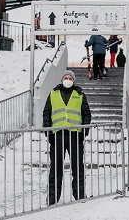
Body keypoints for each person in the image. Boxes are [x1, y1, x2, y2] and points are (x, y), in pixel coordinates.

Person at [43, 70, 92, 205]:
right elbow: (46, 113)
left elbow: (86, 114)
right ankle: (52, 199)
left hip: (75, 135)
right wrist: (48, 132)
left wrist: (84, 132)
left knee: (77, 168)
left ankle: (80, 195)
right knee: (56, 169)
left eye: (70, 78)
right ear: (61, 79)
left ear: (73, 80)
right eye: (65, 77)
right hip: (57, 135)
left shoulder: (79, 94)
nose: (68, 79)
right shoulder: (53, 93)